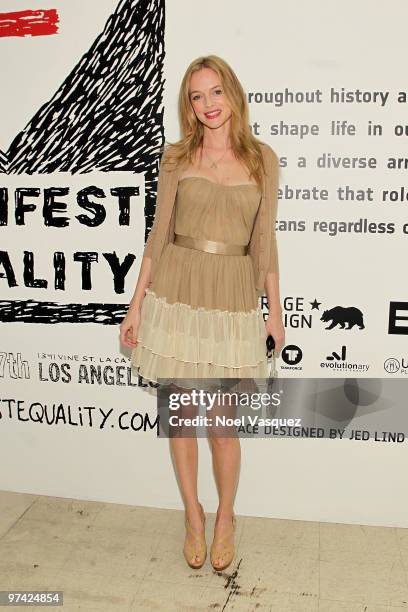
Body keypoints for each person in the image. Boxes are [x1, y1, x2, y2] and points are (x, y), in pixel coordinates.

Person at [119, 55, 285, 571]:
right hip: (177, 291)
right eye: (197, 96)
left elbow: (265, 242)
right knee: (183, 418)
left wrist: (274, 311)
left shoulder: (262, 159)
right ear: (188, 106)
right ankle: (193, 515)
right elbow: (157, 234)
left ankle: (227, 517)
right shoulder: (176, 158)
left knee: (222, 423)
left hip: (233, 296)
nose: (208, 105)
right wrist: (137, 302)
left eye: (215, 92)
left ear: (232, 94)